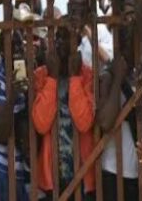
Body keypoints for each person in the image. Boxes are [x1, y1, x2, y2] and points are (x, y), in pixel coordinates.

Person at [32, 25, 96, 200]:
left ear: (76, 43)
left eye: (65, 37)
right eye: (56, 38)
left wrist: (75, 77)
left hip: (82, 179)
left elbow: (84, 123)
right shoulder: (41, 76)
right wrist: (52, 79)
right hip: (51, 182)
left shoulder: (87, 76)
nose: (60, 43)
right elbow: (41, 124)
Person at [96, 27, 142, 201]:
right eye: (131, 45)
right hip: (112, 174)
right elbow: (106, 122)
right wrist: (118, 79)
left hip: (138, 175)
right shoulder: (109, 77)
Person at [0, 29, 32, 201]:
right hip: (2, 167)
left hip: (19, 167)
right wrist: (13, 95)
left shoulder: (22, 74)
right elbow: (1, 132)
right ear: (2, 51)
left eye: (19, 46)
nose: (17, 50)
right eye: (12, 46)